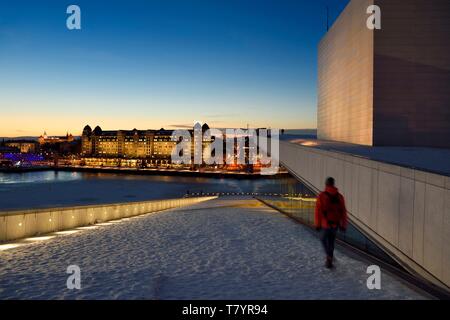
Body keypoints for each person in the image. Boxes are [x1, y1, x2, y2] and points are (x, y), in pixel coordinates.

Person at [314, 177, 348, 269]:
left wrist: (317, 224)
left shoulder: (321, 196)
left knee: (323, 239)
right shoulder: (340, 197)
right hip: (335, 225)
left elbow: (318, 211)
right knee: (331, 242)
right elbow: (343, 212)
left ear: (326, 184)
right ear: (333, 184)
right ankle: (330, 258)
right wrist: (343, 225)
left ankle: (329, 257)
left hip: (325, 224)